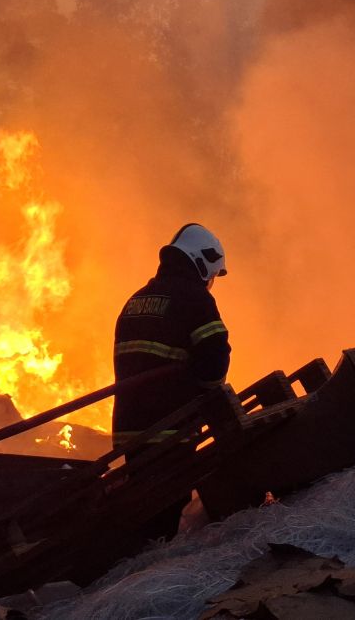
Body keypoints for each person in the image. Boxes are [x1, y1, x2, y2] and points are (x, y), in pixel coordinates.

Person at [111, 223, 231, 539]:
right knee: (165, 515)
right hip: (170, 433)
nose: (210, 283)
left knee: (145, 514)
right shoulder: (194, 299)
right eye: (213, 274)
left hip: (130, 434)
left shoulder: (135, 301)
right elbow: (214, 361)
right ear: (201, 261)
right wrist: (203, 390)